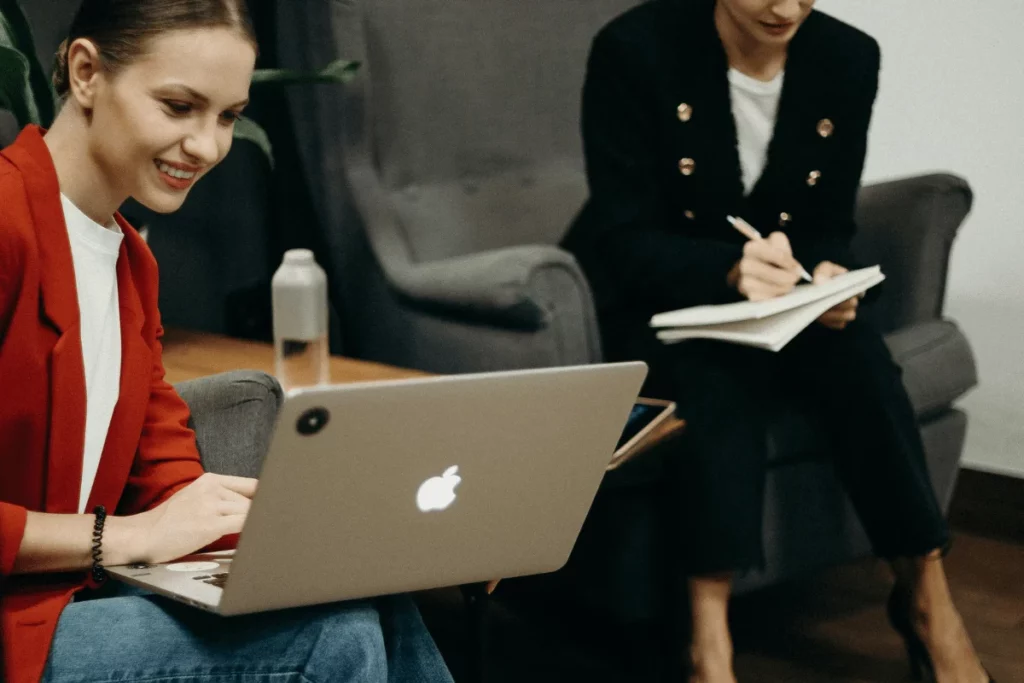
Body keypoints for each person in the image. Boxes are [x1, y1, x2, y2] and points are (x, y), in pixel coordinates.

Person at [0, 2, 453, 682]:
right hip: (19, 621)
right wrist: (121, 536)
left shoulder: (130, 263)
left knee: (365, 593)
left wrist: (327, 540)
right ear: (87, 72)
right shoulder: (6, 223)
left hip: (68, 600)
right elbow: (140, 525)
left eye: (227, 115)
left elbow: (166, 468)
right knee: (330, 637)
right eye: (180, 107)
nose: (209, 146)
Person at [561, 1, 991, 682]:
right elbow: (622, 241)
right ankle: (709, 640)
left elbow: (827, 223)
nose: (784, 7)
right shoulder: (635, 48)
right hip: (659, 302)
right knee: (713, 370)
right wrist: (725, 270)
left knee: (860, 358)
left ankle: (928, 602)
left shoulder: (847, 56)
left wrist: (828, 275)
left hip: (779, 304)